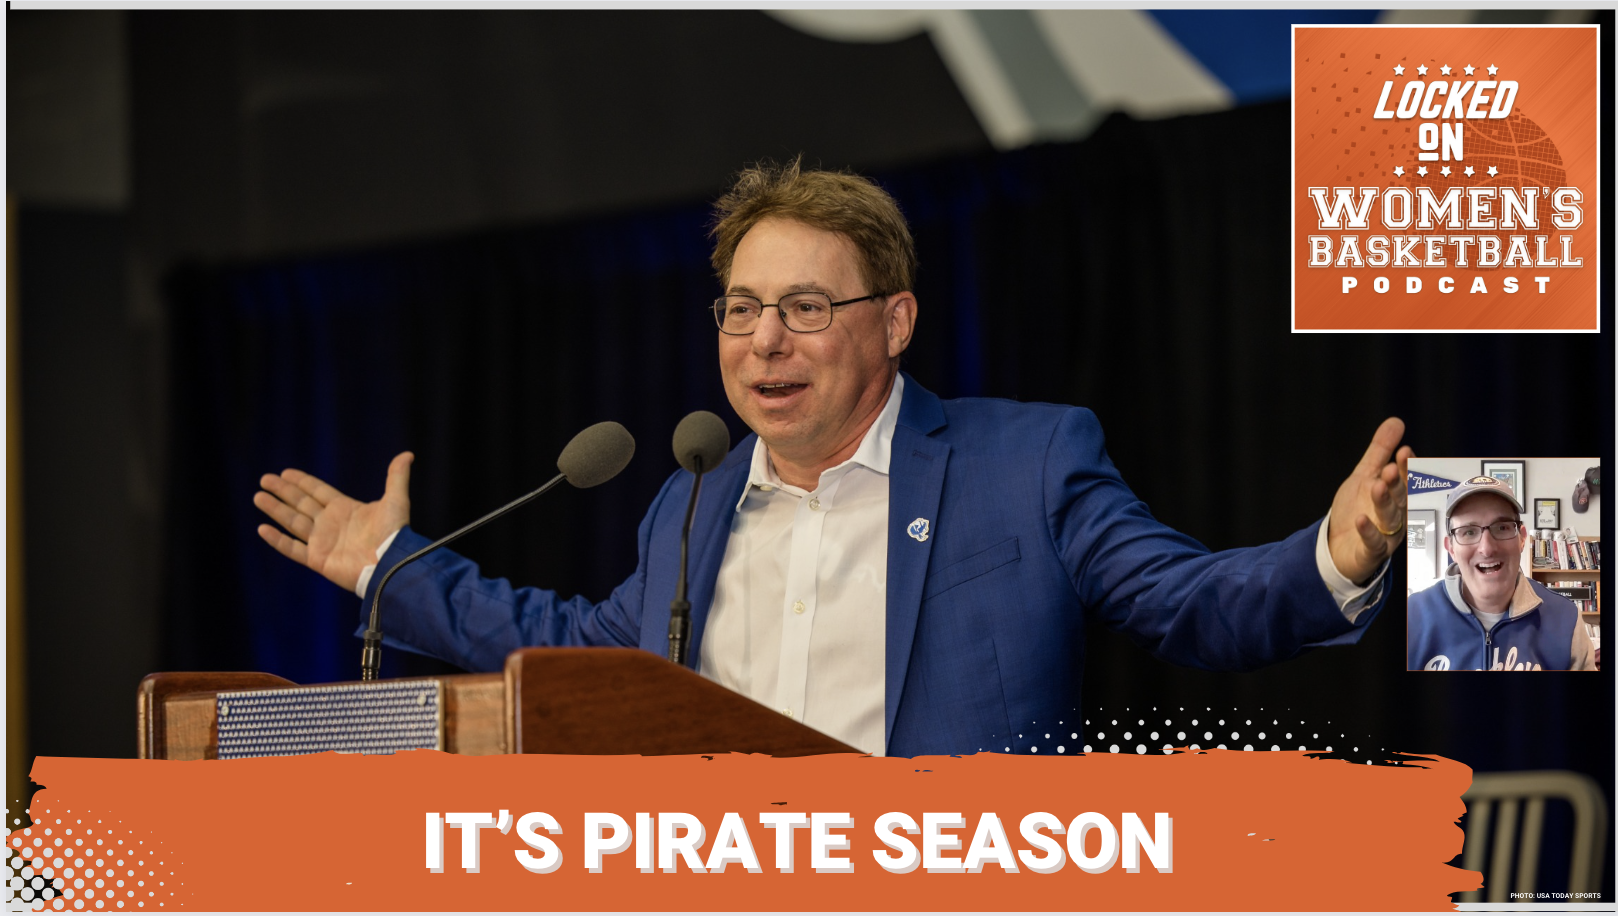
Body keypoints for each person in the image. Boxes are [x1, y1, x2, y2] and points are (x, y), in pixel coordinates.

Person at [254, 160, 1413, 756]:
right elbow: (579, 655)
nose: (763, 340)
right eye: (741, 307)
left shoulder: (1027, 459)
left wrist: (1333, 555)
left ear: (894, 322)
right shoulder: (690, 499)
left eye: (804, 306)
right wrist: (388, 568)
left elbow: (1188, 603)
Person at [1407, 476, 1596, 671]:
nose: (1487, 549)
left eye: (1502, 528)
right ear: (1451, 548)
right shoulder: (1411, 617)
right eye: (1469, 532)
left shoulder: (1565, 619)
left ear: (1522, 538)